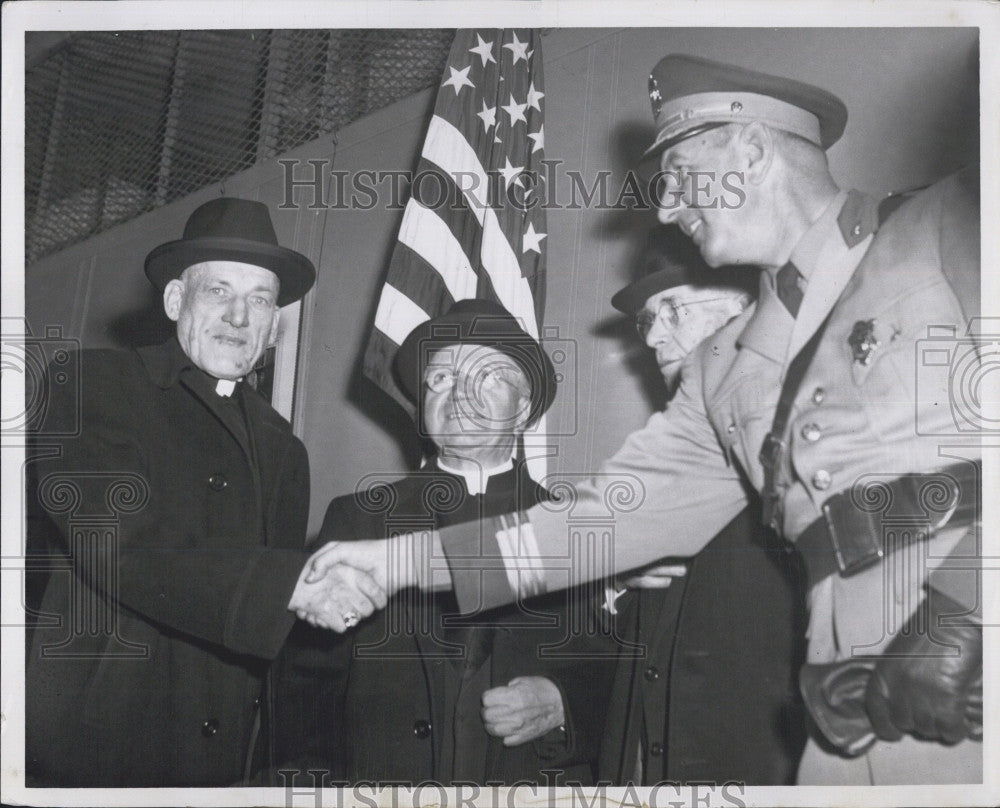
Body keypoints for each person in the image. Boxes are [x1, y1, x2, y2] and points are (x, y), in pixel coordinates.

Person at [306, 54, 983, 786]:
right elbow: (598, 524)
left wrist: (962, 610)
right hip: (846, 714)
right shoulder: (724, 363)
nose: (663, 210)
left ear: (750, 152)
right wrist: (397, 562)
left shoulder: (952, 222)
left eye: (679, 177)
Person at [25, 197, 384, 787]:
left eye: (261, 300)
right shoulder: (92, 383)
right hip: (97, 747)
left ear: (275, 326)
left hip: (224, 761)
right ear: (175, 301)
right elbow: (118, 542)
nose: (240, 318)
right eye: (219, 291)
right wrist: (286, 586)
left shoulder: (283, 448)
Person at [287, 299, 616, 785]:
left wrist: (564, 704)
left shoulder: (578, 531)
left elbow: (617, 680)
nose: (458, 392)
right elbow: (304, 688)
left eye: (485, 376)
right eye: (440, 378)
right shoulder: (357, 519)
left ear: (523, 409)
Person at [598, 232, 808, 784]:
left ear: (744, 313)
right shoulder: (656, 464)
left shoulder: (803, 442)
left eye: (673, 308)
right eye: (647, 320)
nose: (654, 339)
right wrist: (618, 579)